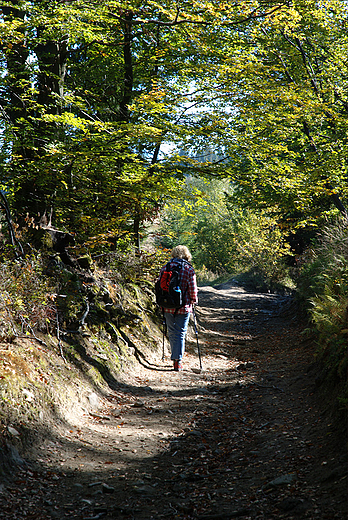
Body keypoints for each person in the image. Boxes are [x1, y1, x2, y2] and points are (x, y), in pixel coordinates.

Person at [158, 245, 198, 371]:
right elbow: (192, 288)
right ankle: (177, 361)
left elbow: (159, 285)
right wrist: (194, 300)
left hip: (167, 305)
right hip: (183, 306)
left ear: (174, 254)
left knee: (171, 331)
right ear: (187, 255)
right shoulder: (188, 269)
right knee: (181, 333)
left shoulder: (166, 267)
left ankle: (175, 357)